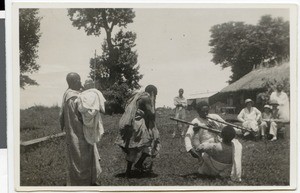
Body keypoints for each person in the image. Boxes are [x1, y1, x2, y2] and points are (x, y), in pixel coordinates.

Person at [59, 72, 102, 186]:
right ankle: (82, 184)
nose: (80, 82)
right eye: (78, 80)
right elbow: (81, 115)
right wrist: (91, 120)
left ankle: (86, 181)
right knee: (81, 159)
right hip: (78, 132)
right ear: (73, 82)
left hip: (73, 131)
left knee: (79, 157)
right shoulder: (73, 97)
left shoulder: (68, 94)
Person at [116, 85, 161, 177]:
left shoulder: (139, 96)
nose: (155, 97)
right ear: (152, 92)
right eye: (155, 94)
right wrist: (152, 99)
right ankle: (135, 167)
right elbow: (152, 114)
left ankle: (131, 169)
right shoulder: (146, 98)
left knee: (136, 147)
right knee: (144, 145)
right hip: (137, 124)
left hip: (131, 123)